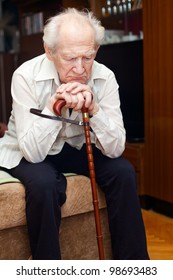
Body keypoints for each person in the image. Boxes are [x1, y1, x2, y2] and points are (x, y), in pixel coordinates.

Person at [0, 8, 149, 260]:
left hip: (77, 147)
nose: (80, 69)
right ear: (50, 51)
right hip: (29, 148)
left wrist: (96, 111)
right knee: (44, 184)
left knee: (123, 172)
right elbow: (34, 154)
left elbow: (115, 149)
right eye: (70, 58)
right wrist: (53, 107)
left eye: (88, 57)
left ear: (95, 51)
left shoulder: (105, 77)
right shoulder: (25, 76)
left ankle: (133, 267)